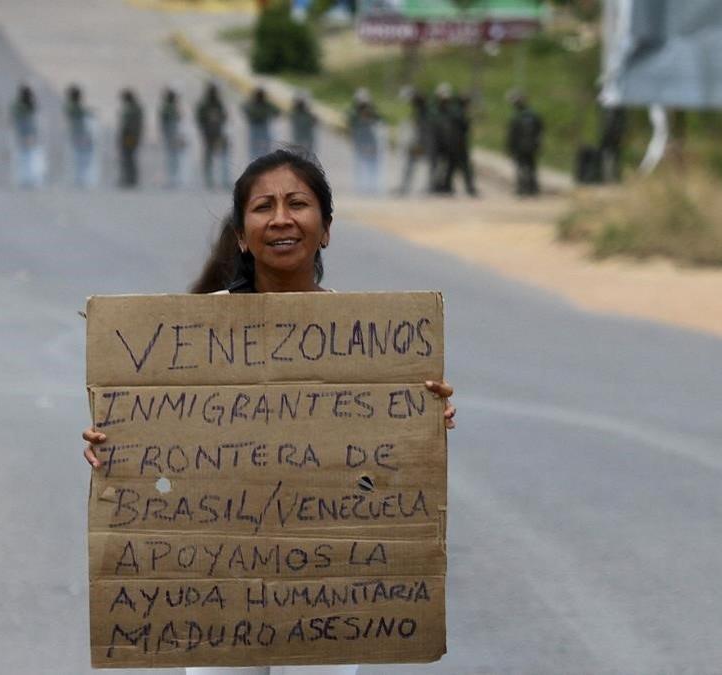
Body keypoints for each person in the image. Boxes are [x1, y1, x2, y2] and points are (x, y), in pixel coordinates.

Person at [82, 151, 458, 675]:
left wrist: (417, 432)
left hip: (325, 594)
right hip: (215, 592)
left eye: (298, 204)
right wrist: (118, 451)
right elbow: (165, 479)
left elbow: (374, 487)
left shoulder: (373, 347)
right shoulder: (189, 335)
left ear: (325, 228)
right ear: (241, 234)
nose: (281, 218)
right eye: (264, 206)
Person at [396, 89, 433, 196]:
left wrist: (419, 143)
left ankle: (421, 187)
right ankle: (406, 187)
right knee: (412, 164)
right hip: (420, 141)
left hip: (421, 141)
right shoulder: (419, 109)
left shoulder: (424, 109)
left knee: (419, 165)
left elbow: (422, 127)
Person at [507, 92, 544, 196]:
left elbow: (512, 135)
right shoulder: (534, 115)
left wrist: (510, 148)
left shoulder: (516, 117)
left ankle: (522, 188)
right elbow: (540, 132)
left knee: (521, 167)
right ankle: (532, 188)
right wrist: (539, 144)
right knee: (531, 167)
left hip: (520, 146)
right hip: (532, 145)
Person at [347, 88, 383, 195]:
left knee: (372, 165)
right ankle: (362, 187)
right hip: (360, 143)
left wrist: (370, 114)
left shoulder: (373, 113)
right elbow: (351, 123)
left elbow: (380, 122)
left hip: (372, 143)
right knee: (361, 165)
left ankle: (373, 187)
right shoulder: (353, 115)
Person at [195, 82, 229, 189]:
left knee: (223, 155)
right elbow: (199, 118)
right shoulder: (204, 104)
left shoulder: (218, 103)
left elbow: (224, 116)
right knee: (208, 155)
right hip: (208, 132)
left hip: (218, 131)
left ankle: (224, 179)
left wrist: (218, 118)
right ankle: (209, 179)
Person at [10, 84, 44, 188]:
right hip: (25, 135)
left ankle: (29, 179)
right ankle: (26, 180)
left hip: (28, 136)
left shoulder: (27, 107)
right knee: (28, 158)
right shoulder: (21, 108)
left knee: (28, 158)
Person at [65, 84, 96, 188]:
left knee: (81, 157)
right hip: (80, 134)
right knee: (81, 158)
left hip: (79, 134)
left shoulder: (73, 107)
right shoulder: (74, 108)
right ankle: (81, 179)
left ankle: (81, 178)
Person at [449, 93, 478, 197]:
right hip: (458, 143)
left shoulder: (456, 111)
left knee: (452, 166)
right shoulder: (458, 112)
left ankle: (447, 186)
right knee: (463, 167)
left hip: (455, 143)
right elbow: (464, 126)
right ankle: (469, 187)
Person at [158, 86, 186, 188]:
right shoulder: (170, 108)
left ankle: (173, 179)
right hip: (171, 135)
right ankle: (173, 179)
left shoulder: (168, 107)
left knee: (172, 158)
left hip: (171, 136)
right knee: (173, 158)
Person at [242, 86, 280, 160]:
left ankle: (264, 162)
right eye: (259, 95)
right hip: (254, 127)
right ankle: (255, 162)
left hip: (263, 127)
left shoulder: (266, 105)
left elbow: (277, 111)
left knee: (264, 147)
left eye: (261, 96)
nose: (260, 97)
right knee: (255, 148)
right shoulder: (252, 104)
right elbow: (244, 108)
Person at [117, 88, 144, 188]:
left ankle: (131, 178)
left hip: (130, 136)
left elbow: (131, 126)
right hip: (130, 136)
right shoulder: (134, 108)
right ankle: (129, 178)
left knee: (128, 157)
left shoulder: (133, 109)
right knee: (128, 157)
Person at [598, 105, 626, 183]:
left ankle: (611, 176)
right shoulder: (611, 106)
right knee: (609, 152)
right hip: (609, 133)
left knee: (614, 152)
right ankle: (607, 176)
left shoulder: (618, 107)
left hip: (613, 133)